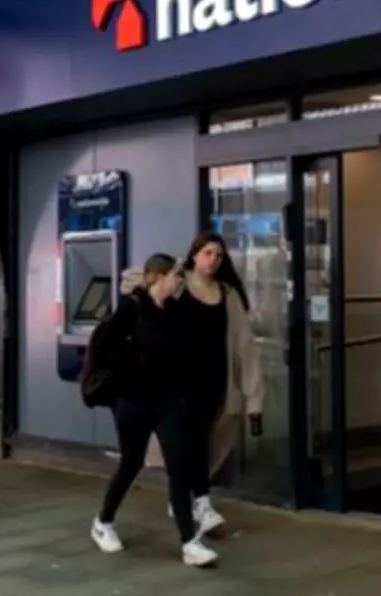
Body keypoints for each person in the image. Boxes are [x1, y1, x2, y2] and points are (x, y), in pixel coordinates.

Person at [89, 254, 218, 568]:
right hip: (133, 402)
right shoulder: (130, 308)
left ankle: (189, 543)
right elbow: (103, 348)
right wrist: (126, 378)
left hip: (168, 403)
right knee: (131, 464)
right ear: (159, 276)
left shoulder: (174, 310)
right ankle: (103, 521)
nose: (179, 281)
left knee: (179, 467)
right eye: (175, 275)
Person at [165, 230, 264, 536]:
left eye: (218, 255)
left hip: (214, 382)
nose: (213, 260)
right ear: (194, 254)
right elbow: (133, 282)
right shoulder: (178, 285)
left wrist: (254, 397)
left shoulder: (226, 294)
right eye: (207, 253)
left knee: (200, 442)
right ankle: (200, 503)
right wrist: (172, 270)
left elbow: (245, 346)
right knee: (189, 441)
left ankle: (188, 498)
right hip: (178, 381)